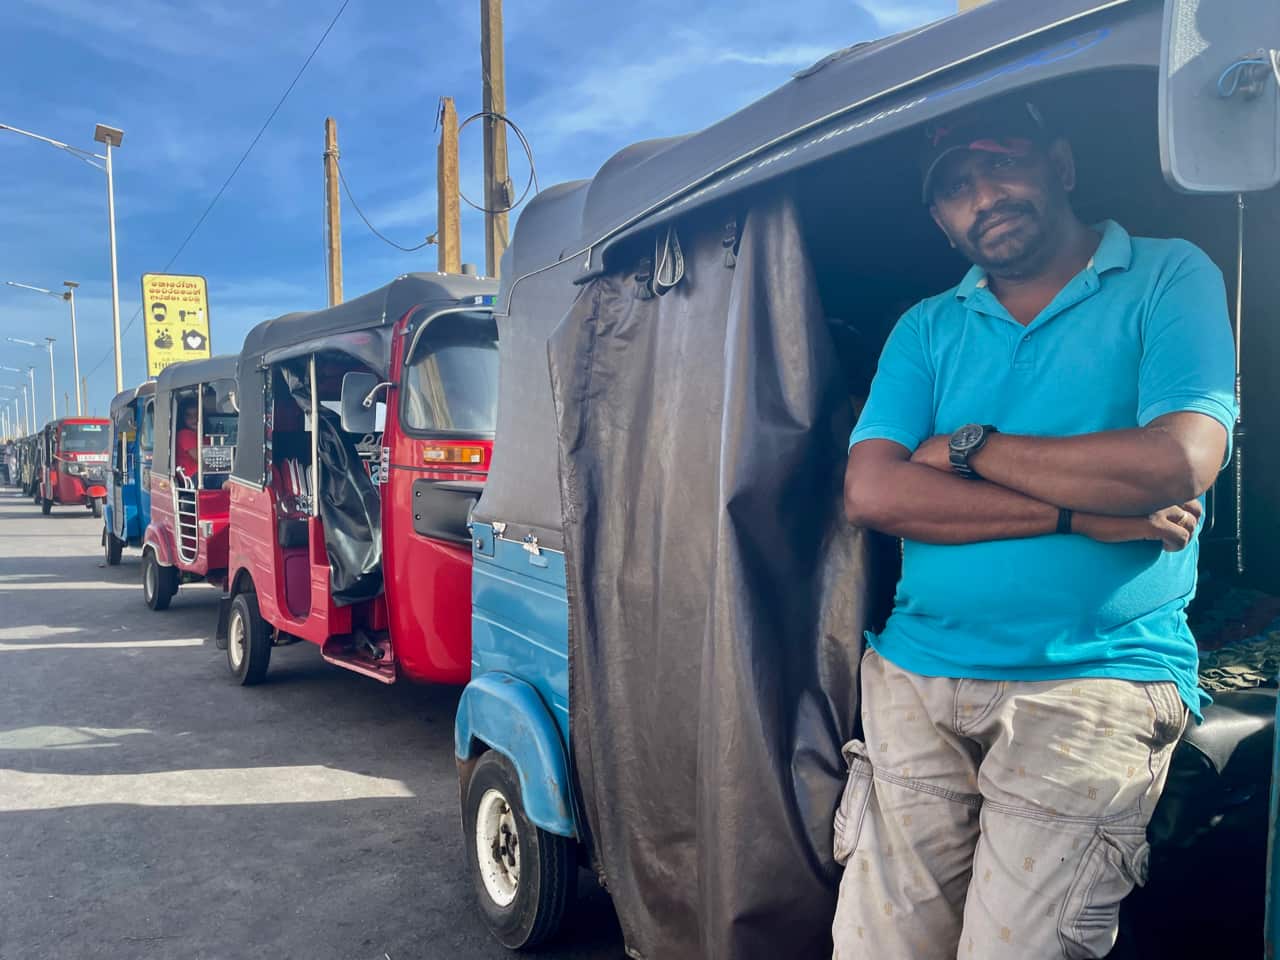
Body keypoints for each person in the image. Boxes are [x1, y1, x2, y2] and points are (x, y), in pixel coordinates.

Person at [832, 100, 1236, 960]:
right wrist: (1078, 513)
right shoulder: (928, 326)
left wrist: (969, 447)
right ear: (942, 222)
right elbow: (872, 492)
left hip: (1092, 682)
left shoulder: (1168, 276)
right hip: (915, 679)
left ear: (1062, 164)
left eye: (1001, 162)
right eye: (956, 188)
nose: (984, 195)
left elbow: (1173, 462)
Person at [175, 402, 199, 479]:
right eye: (188, 416)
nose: (193, 419)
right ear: (183, 418)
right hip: (193, 478)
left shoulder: (202, 435)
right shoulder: (185, 434)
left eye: (196, 414)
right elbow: (203, 459)